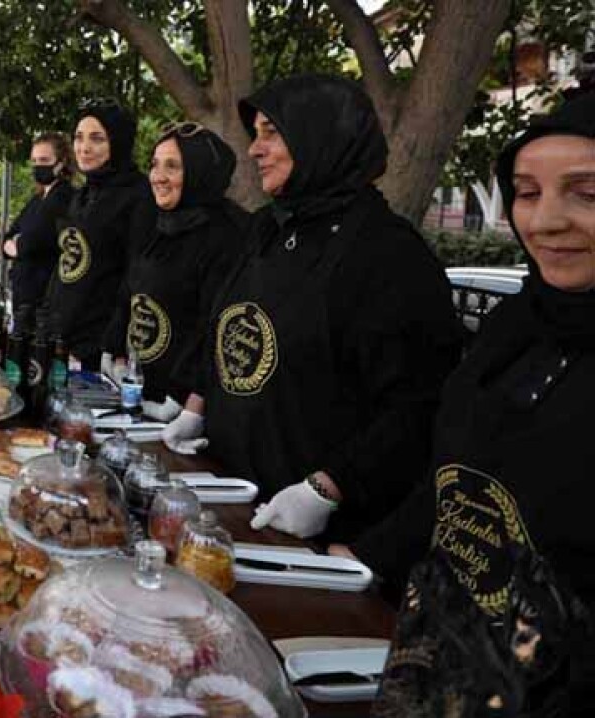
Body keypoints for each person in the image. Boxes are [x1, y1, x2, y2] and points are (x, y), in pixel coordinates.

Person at [337, 91, 595, 716]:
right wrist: (361, 557)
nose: (547, 220)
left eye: (586, 193)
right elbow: (452, 483)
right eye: (528, 193)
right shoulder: (512, 330)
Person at [159, 74, 462, 543]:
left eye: (271, 132)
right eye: (255, 134)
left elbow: (416, 407)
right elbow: (224, 326)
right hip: (225, 496)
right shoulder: (266, 228)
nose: (255, 150)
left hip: (307, 530)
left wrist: (329, 487)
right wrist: (196, 405)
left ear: (322, 136)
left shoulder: (388, 255)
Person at [102, 123, 247, 420]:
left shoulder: (227, 235)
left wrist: (183, 399)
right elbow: (129, 292)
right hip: (136, 392)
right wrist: (114, 350)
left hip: (181, 409)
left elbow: (214, 326)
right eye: (154, 165)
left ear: (200, 172)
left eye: (173, 167)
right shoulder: (158, 224)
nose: (158, 177)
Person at [49, 99, 158, 369]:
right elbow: (68, 265)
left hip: (101, 348)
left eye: (97, 138)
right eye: (79, 137)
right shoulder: (82, 194)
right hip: (63, 338)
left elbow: (137, 274)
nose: (84, 148)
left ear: (118, 142)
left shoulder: (139, 195)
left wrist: (113, 342)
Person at [3, 131, 75, 334]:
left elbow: (31, 242)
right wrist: (16, 243)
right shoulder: (37, 199)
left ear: (61, 163)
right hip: (24, 299)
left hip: (43, 303)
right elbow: (7, 240)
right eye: (34, 161)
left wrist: (19, 244)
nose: (38, 166)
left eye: (44, 160)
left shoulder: (64, 196)